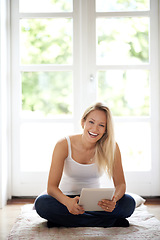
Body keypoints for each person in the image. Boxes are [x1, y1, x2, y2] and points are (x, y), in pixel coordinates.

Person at [35, 102, 135, 228]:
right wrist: (67, 203)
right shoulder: (63, 144)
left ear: (106, 130)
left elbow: (121, 184)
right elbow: (51, 187)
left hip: (96, 201)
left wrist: (113, 200)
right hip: (67, 198)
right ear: (83, 122)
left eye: (101, 125)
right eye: (91, 122)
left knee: (128, 203)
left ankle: (65, 221)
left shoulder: (111, 147)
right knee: (42, 203)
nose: (94, 129)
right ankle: (108, 222)